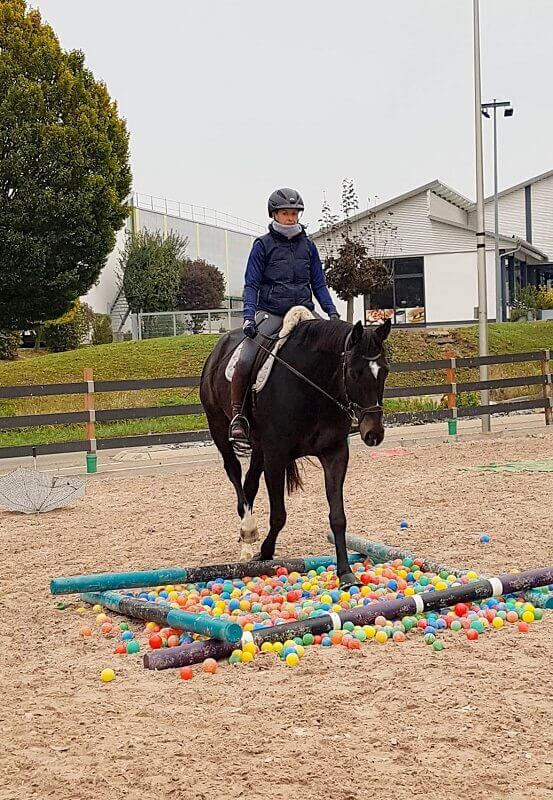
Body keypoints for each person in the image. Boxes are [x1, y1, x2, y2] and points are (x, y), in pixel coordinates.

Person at [229, 187, 340, 443]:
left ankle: (341, 413)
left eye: (294, 214)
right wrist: (248, 316)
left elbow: (319, 284)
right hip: (272, 313)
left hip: (304, 311)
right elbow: (252, 284)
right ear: (274, 215)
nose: (291, 218)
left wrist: (331, 312)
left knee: (335, 354)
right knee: (245, 359)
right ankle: (239, 416)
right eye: (285, 214)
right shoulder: (262, 246)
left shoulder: (308, 247)